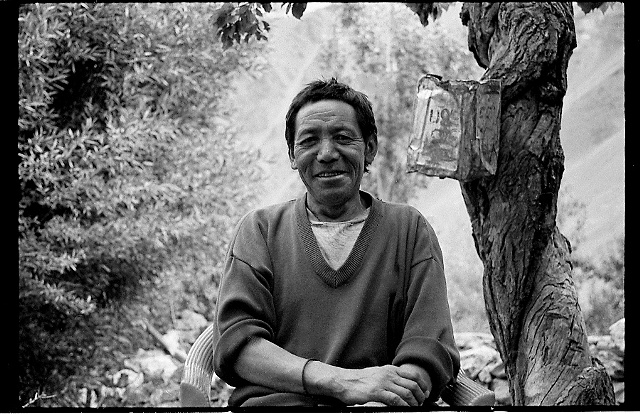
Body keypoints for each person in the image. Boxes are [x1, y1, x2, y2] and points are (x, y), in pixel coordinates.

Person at [213, 78, 459, 407]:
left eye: (343, 138)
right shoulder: (260, 231)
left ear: (369, 147)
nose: (327, 154)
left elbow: (430, 346)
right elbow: (237, 346)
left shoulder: (408, 230)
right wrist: (343, 383)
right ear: (292, 154)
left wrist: (385, 399)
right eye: (309, 141)